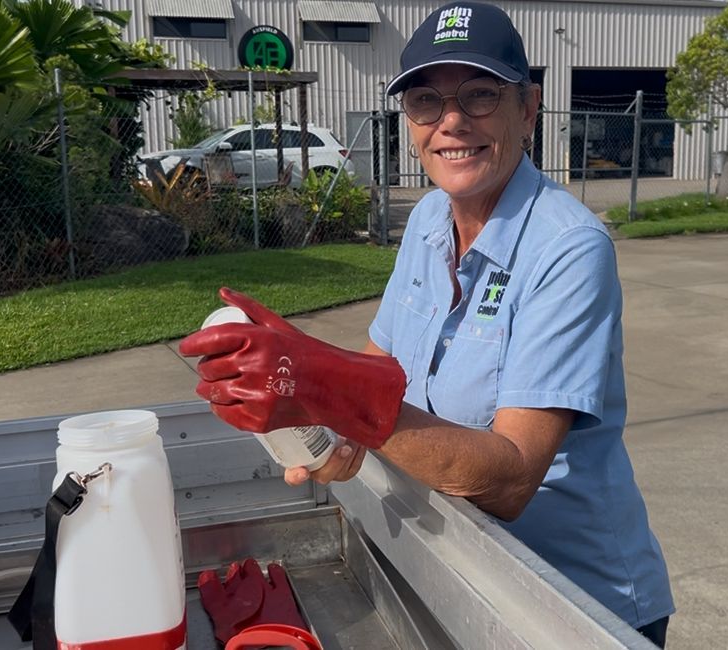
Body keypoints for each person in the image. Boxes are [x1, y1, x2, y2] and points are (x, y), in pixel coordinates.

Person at [178, 2, 673, 645]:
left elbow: (513, 474)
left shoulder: (568, 248)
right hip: (466, 573)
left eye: (480, 94)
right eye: (424, 102)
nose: (452, 122)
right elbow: (380, 371)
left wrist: (334, 391)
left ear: (529, 109)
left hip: (574, 607)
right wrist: (326, 424)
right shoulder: (427, 221)